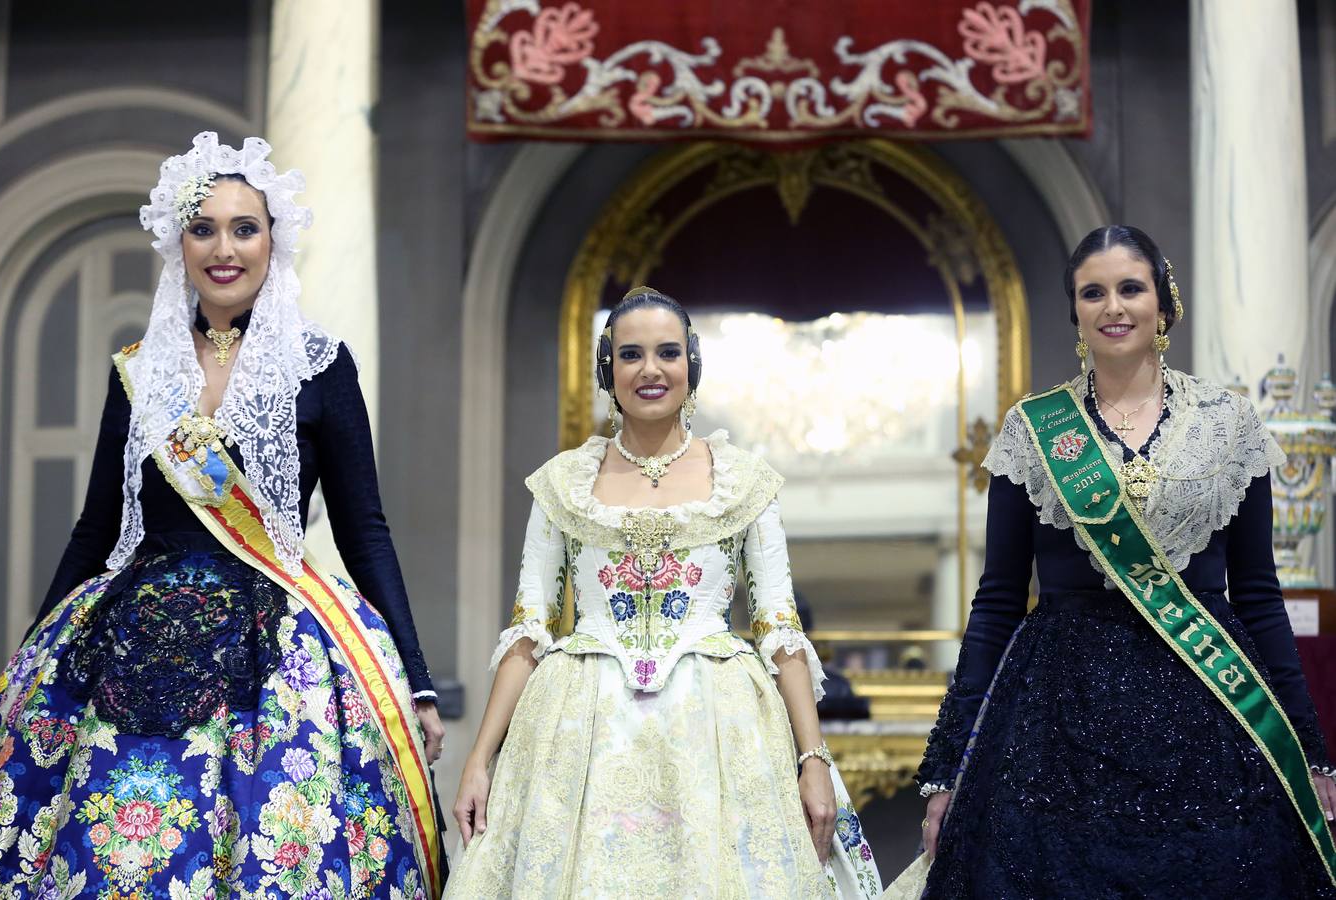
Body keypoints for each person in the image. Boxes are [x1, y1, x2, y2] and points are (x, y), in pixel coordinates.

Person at [0, 133, 446, 899]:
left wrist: (419, 681)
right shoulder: (138, 371)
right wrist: (30, 662)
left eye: (245, 227)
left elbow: (365, 529)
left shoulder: (320, 366)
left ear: (275, 241)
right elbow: (95, 531)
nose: (224, 248)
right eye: (204, 228)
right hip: (130, 638)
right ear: (178, 244)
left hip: (280, 647)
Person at [908, 225, 1336, 897]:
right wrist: (949, 769)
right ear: (1075, 311)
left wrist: (1308, 752)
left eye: (1131, 288)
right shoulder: (1033, 429)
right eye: (1093, 292)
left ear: (1163, 304)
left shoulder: (1229, 426)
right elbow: (996, 601)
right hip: (1056, 721)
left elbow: (1257, 592)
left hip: (1210, 714)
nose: (1114, 307)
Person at [444, 287, 882, 898]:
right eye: (631, 355)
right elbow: (527, 631)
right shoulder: (563, 483)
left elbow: (780, 629)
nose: (650, 369)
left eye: (667, 353)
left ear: (691, 366)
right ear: (609, 371)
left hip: (718, 729)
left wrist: (813, 758)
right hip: (580, 729)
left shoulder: (745, 482)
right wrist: (479, 760)